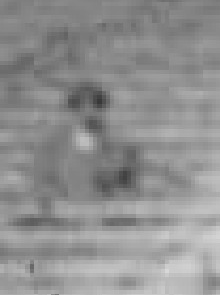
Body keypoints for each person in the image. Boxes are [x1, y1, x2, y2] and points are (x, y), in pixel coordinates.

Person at [29, 80, 186, 212]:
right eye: (81, 107)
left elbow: (135, 180)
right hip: (69, 217)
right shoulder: (51, 149)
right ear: (71, 111)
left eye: (97, 106)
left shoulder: (122, 149)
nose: (89, 112)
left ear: (104, 111)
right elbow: (42, 187)